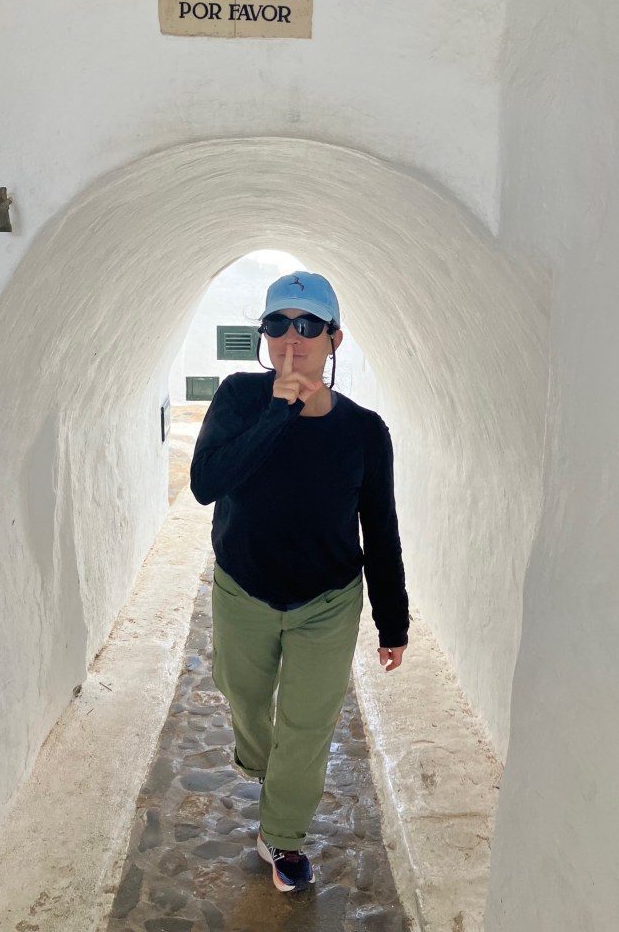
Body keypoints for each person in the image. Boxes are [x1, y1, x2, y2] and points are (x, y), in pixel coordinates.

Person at [190, 271, 409, 892]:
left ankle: (282, 835)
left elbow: (381, 529)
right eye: (278, 324)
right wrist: (278, 413)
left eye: (309, 325)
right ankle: (268, 767)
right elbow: (207, 483)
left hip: (326, 602)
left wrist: (393, 622)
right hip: (243, 589)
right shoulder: (238, 396)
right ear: (265, 335)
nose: (293, 337)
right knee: (244, 699)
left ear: (334, 339)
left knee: (309, 726)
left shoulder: (364, 432)